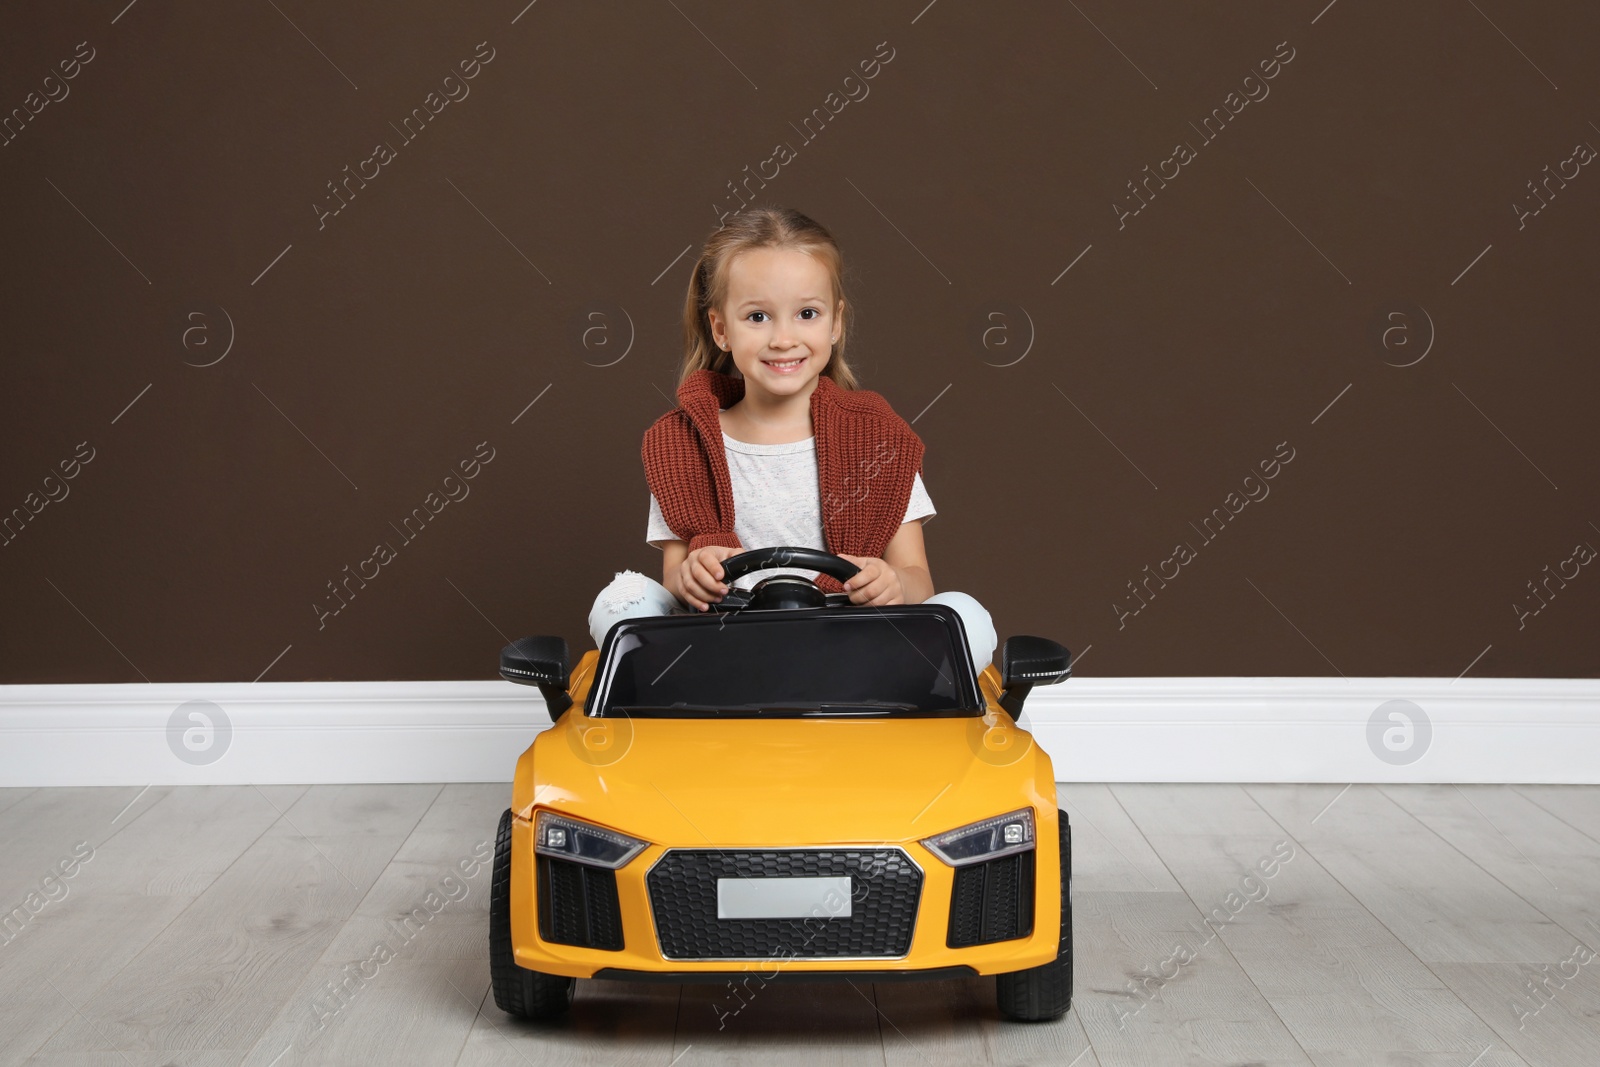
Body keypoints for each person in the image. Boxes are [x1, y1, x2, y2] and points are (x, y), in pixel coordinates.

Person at [587, 206, 997, 671]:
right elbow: (676, 578)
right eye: (758, 316)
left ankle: (866, 694)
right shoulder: (683, 445)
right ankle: (702, 698)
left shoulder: (880, 440)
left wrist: (893, 585)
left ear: (835, 323)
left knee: (966, 614)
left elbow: (918, 577)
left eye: (806, 313)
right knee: (621, 600)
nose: (784, 339)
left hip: (850, 645)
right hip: (725, 649)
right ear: (721, 328)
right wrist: (692, 578)